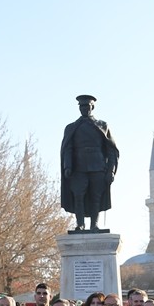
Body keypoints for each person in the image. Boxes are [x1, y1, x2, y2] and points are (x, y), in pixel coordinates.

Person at [60, 94, 119, 231]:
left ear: (92, 107)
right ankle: (80, 224)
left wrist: (111, 170)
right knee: (78, 195)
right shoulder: (71, 127)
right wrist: (67, 166)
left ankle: (94, 225)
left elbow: (111, 150)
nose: (84, 109)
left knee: (96, 196)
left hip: (98, 166)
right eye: (81, 106)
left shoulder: (102, 126)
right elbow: (67, 148)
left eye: (87, 106)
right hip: (78, 167)